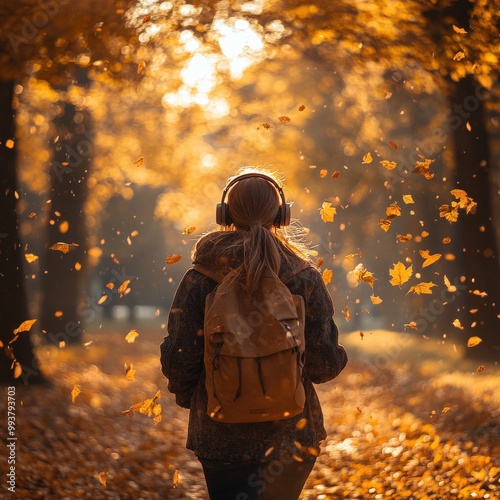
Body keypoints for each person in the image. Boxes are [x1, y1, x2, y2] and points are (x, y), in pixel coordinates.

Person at [160, 168, 348, 499]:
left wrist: (197, 397)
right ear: (282, 215)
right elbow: (324, 366)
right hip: (294, 435)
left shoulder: (199, 278)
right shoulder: (303, 278)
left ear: (225, 214)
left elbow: (180, 360)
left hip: (220, 435)